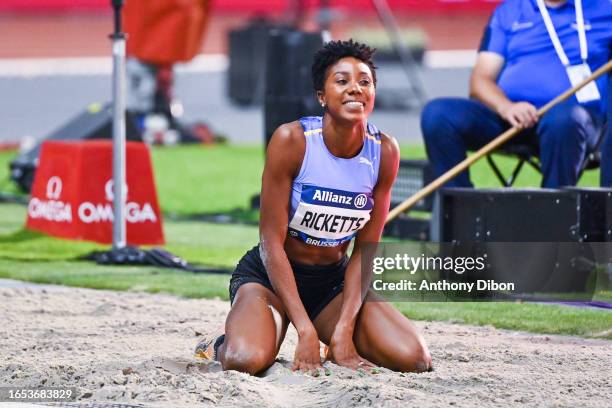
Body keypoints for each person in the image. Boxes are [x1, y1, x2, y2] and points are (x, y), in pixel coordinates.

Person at [195, 40, 432, 375]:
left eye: (365, 82)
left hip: (331, 286)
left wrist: (344, 328)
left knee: (414, 358)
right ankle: (218, 342)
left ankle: (327, 332)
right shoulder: (292, 141)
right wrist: (304, 330)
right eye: (342, 81)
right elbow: (270, 244)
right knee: (244, 360)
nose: (355, 89)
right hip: (270, 279)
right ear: (322, 95)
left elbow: (366, 250)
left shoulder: (385, 152)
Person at [421, 0, 612, 188]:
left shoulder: (604, 8)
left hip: (576, 123)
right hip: (512, 120)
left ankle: (555, 212)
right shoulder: (508, 11)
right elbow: (480, 80)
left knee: (563, 120)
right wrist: (506, 107)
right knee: (438, 114)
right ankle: (457, 210)